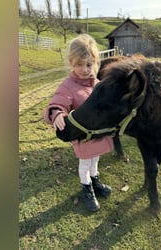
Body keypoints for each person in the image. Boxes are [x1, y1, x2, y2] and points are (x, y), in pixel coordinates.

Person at [44, 34, 113, 212]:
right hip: (82, 135)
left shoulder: (97, 84)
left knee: (95, 159)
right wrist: (57, 113)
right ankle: (87, 188)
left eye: (89, 64)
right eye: (79, 64)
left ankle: (95, 180)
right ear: (71, 63)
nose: (84, 69)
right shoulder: (68, 86)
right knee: (85, 163)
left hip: (97, 133)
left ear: (95, 63)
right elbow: (57, 103)